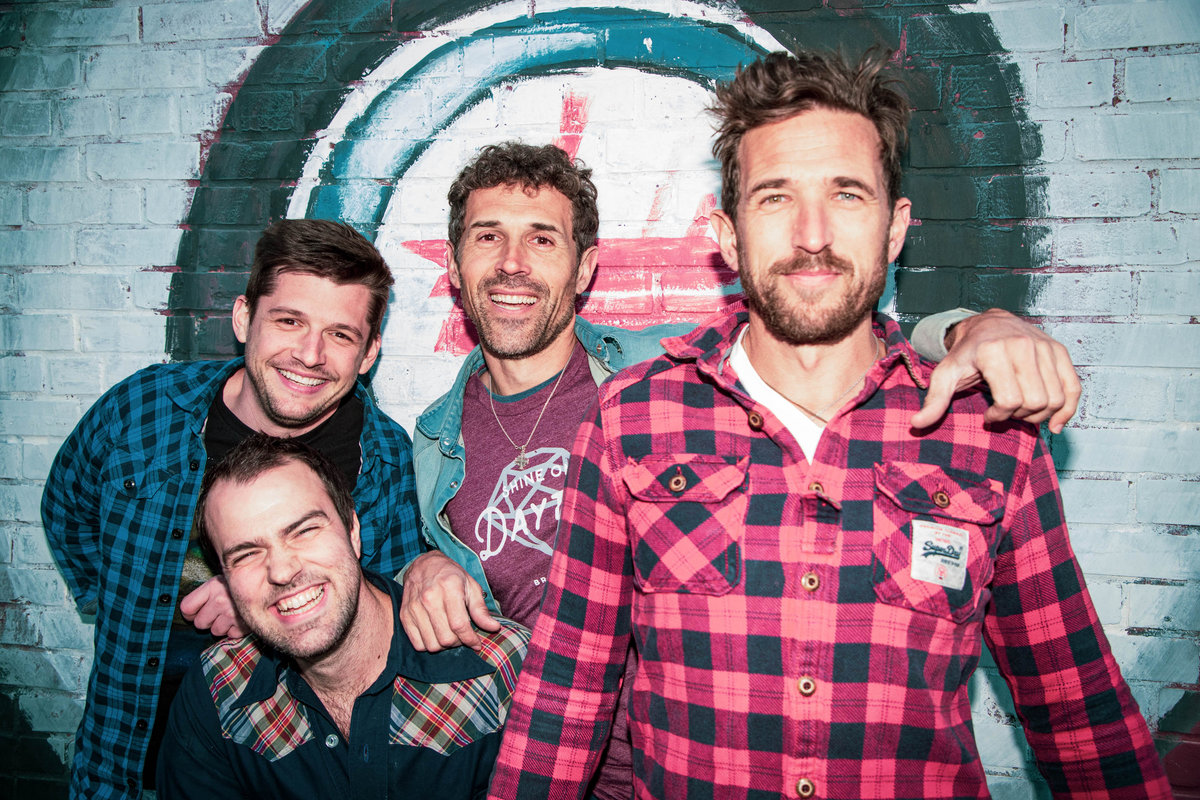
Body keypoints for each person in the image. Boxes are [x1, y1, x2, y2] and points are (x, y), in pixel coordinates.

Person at [486, 50, 1171, 799]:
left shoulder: (990, 432)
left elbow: (1079, 715)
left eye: (846, 194)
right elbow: (565, 693)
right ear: (727, 234)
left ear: (895, 227)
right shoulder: (633, 419)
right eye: (775, 197)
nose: (812, 234)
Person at [400, 140, 1083, 798]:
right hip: (551, 762)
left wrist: (971, 326)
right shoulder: (431, 442)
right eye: (487, 236)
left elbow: (809, 321)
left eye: (543, 239)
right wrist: (416, 569)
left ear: (584, 270)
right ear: (453, 266)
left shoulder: (655, 380)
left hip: (679, 761)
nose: (512, 263)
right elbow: (542, 663)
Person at [41, 219, 424, 800]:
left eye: (341, 334)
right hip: (120, 760)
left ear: (369, 353)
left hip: (279, 774)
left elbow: (382, 620)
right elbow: (68, 509)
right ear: (245, 318)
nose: (310, 355)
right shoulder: (145, 410)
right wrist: (114, 600)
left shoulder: (386, 458)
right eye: (289, 321)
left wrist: (265, 601)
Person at [155, 434, 527, 798]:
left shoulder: (502, 672)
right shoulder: (219, 692)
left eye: (304, 531)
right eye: (246, 554)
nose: (282, 571)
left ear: (353, 531)